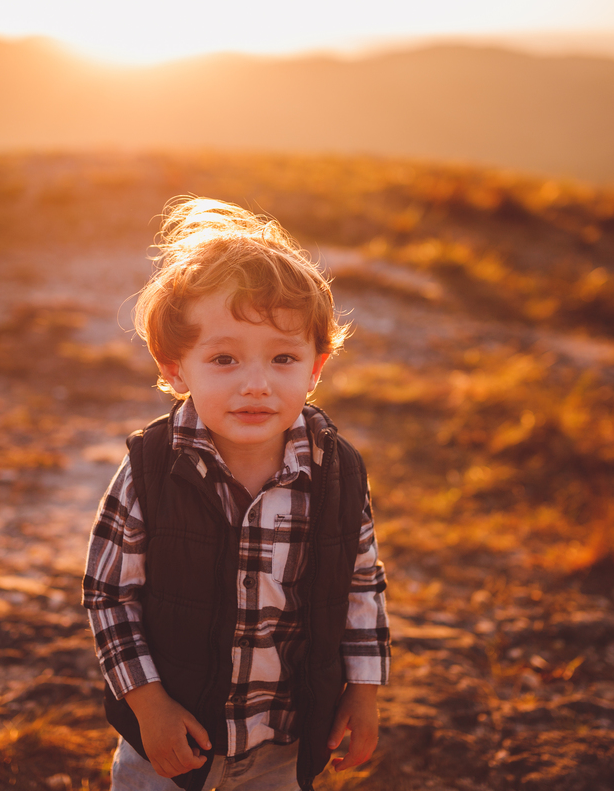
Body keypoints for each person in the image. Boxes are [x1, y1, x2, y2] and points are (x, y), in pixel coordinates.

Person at [82, 198, 390, 791]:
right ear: (176, 370)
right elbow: (109, 598)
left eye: (283, 358)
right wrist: (149, 708)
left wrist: (364, 692)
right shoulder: (151, 471)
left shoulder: (337, 473)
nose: (256, 384)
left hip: (286, 738)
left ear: (316, 368)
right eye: (223, 359)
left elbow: (361, 586)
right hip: (170, 741)